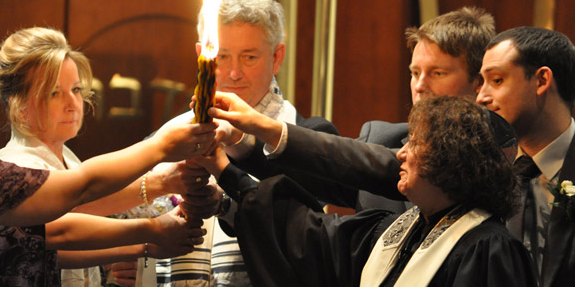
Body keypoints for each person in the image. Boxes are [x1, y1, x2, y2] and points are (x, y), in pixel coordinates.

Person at [0, 22, 216, 286]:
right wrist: (163, 148)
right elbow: (70, 205)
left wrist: (159, 185)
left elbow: (72, 200)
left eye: (77, 90)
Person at [198, 93, 537, 286]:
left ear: (452, 160)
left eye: (416, 144)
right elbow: (307, 236)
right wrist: (225, 171)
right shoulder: (396, 230)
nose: (401, 153)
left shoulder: (489, 250)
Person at [0, 27, 207, 287]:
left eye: (76, 89)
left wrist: (119, 260)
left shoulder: (68, 158)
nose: (73, 103)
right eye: (54, 93)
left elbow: (79, 221)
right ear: (19, 106)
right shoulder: (16, 163)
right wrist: (147, 239)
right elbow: (60, 232)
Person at [153, 0, 339, 287]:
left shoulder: (309, 138)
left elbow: (295, 232)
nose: (233, 73)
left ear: (277, 57)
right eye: (222, 56)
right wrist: (136, 257)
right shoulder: (168, 137)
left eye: (249, 57)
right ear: (202, 55)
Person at [227, 7, 496, 213]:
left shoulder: (494, 152)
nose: (420, 85)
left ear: (478, 82)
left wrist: (263, 125)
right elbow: (311, 178)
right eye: (415, 73)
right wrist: (241, 145)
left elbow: (385, 164)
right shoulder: (382, 138)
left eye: (437, 73)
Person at [477, 26, 575, 286]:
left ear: (541, 81)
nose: (481, 97)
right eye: (482, 82)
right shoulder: (481, 165)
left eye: (496, 80)